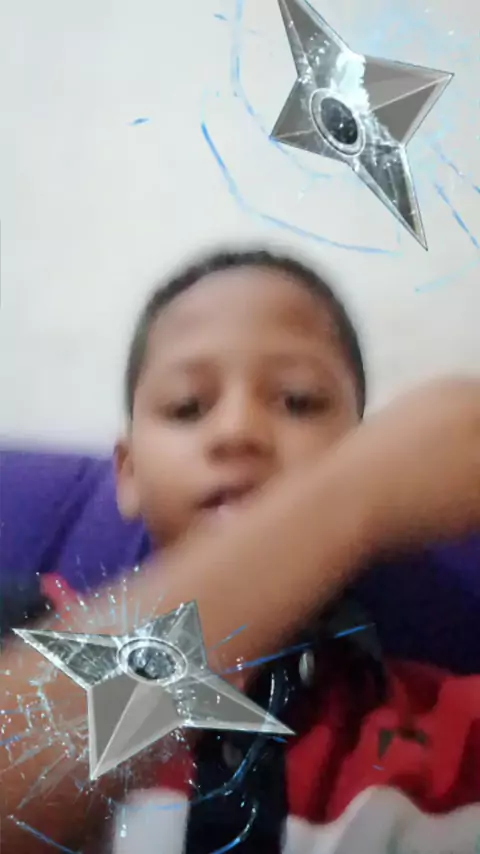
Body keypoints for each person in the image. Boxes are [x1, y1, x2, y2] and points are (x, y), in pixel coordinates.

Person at [1, 248, 480, 854]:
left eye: (299, 401)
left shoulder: (448, 735)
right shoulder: (26, 632)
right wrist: (345, 502)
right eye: (188, 407)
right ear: (128, 473)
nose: (237, 432)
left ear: (362, 447)